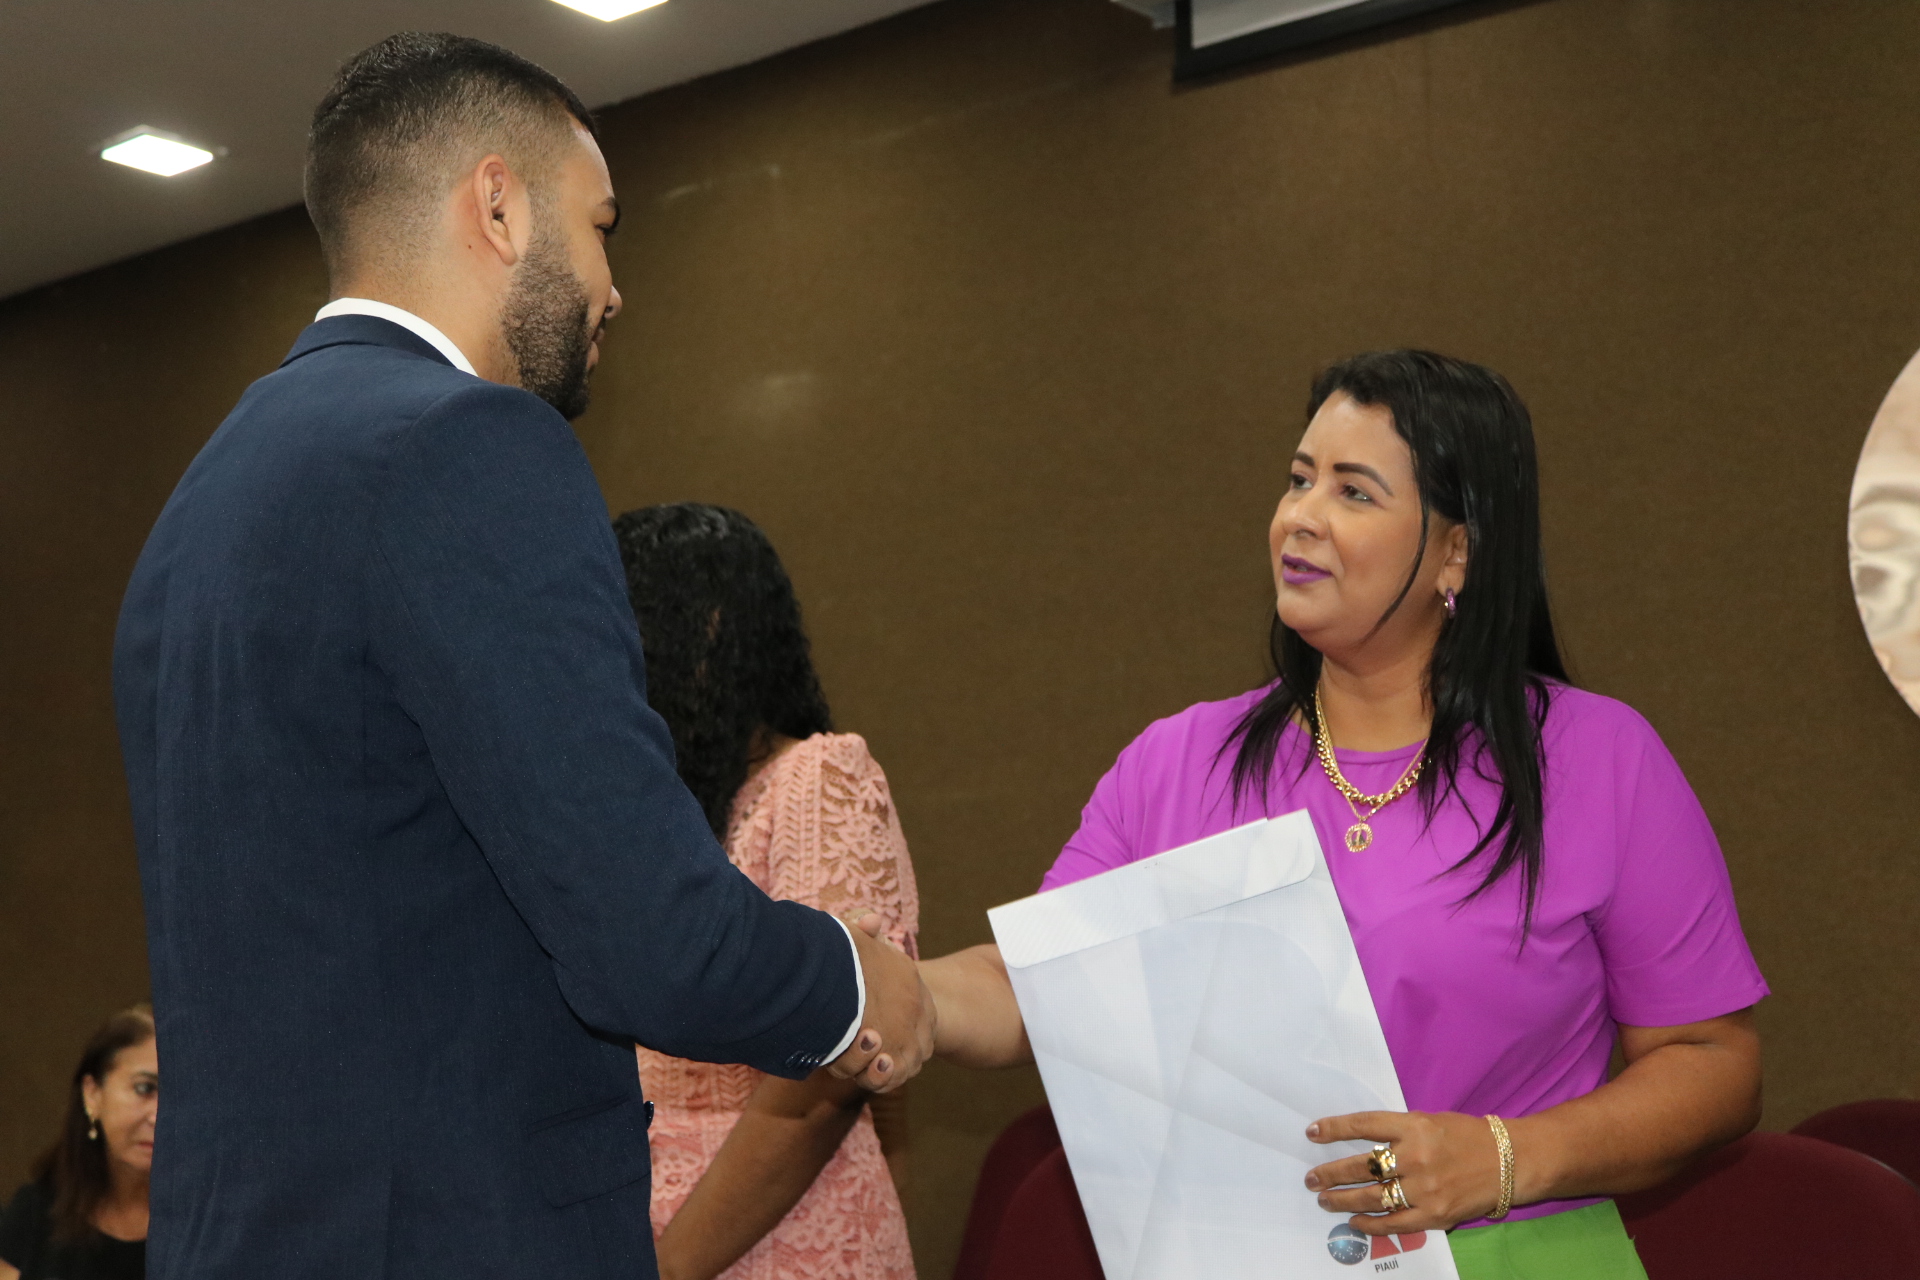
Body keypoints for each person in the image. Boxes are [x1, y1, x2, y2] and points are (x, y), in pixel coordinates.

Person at [111, 34, 932, 1280]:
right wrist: (858, 986)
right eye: (601, 227)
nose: (614, 288)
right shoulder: (468, 444)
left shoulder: (200, 499)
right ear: (498, 206)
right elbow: (649, 935)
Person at [921, 350, 1767, 1279]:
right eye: (1299, 479)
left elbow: (1713, 1061)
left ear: (1456, 552)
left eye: (1354, 492)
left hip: (1513, 1257)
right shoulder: (1178, 761)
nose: (1302, 515)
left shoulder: (1595, 757)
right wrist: (897, 997)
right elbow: (1036, 985)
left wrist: (1505, 1158)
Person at [614, 504, 918, 1280]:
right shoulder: (657, 810)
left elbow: (830, 1064)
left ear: (712, 629)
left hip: (780, 1243)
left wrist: (672, 1266)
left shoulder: (817, 777)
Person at [0, 1005, 156, 1280]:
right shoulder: (35, 1214)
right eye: (144, 1088)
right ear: (93, 1094)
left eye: (179, 1097)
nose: (158, 1116)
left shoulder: (214, 1227)